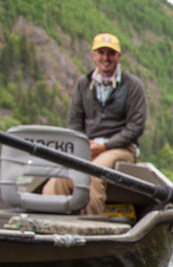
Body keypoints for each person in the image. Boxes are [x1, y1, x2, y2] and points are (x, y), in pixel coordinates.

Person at [43, 32, 146, 215]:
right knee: (58, 180)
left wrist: (105, 146)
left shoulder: (133, 85)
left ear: (118, 56)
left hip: (122, 148)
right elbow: (74, 122)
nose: (105, 58)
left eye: (110, 53)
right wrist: (84, 144)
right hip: (87, 147)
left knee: (93, 173)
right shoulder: (83, 84)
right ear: (94, 55)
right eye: (101, 53)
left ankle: (90, 226)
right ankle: (51, 224)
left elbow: (136, 127)